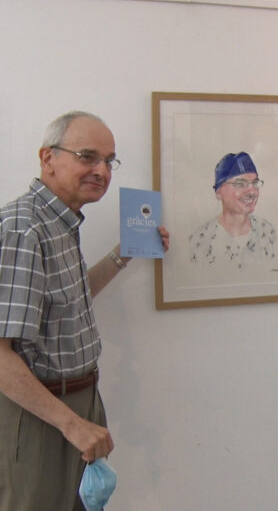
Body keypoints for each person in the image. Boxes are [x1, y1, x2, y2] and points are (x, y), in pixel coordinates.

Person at [0, 111, 170, 510]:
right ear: (48, 159)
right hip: (41, 413)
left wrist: (123, 254)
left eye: (109, 161)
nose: (101, 170)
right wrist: (71, 423)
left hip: (77, 400)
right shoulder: (23, 229)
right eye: (88, 156)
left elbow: (71, 299)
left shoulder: (61, 223)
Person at [188, 151, 276, 270]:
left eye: (255, 183)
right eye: (240, 184)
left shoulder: (268, 232)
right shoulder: (200, 240)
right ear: (219, 192)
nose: (252, 192)